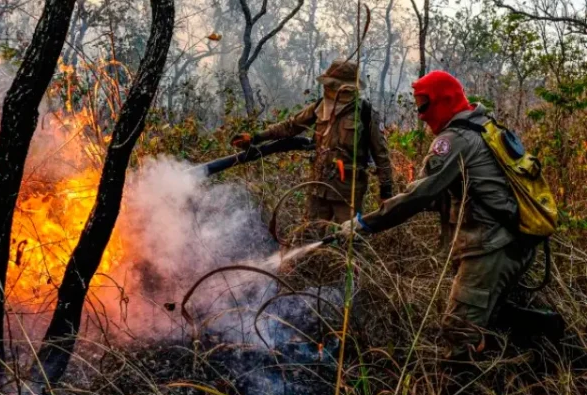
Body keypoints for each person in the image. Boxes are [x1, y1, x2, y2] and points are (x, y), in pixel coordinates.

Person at [337, 70, 539, 358]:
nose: (419, 116)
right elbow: (446, 194)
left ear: (443, 101)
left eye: (423, 106)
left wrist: (363, 224)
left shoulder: (455, 139)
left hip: (491, 247)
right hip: (510, 242)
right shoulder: (485, 126)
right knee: (494, 318)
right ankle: (532, 360)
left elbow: (418, 197)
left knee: (458, 330)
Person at [230, 59, 393, 223]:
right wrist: (256, 138)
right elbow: (290, 126)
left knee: (349, 238)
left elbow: (381, 154)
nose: (328, 88)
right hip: (318, 185)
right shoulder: (320, 106)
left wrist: (386, 191)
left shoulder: (365, 112)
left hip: (348, 191)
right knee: (309, 233)